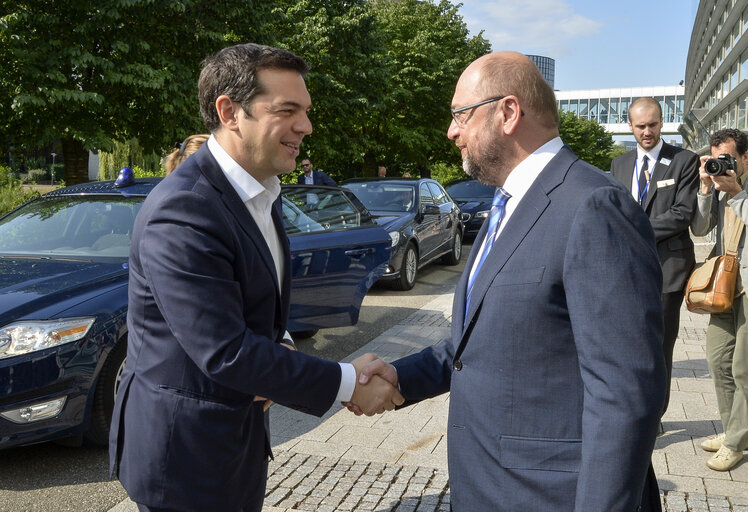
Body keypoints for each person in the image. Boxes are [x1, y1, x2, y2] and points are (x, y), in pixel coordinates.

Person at [351, 52, 666, 511]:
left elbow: (625, 394)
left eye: (460, 115)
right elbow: (480, 342)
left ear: (508, 112)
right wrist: (401, 375)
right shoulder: (507, 204)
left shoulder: (594, 207)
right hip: (488, 487)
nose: (451, 131)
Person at [109, 43, 403, 512]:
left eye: (305, 111)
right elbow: (224, 351)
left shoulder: (262, 192)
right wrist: (348, 382)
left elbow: (254, 306)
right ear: (229, 111)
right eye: (287, 110)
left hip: (234, 440)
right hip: (184, 457)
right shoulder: (185, 208)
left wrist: (281, 343)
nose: (306, 126)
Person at [611, 97, 699, 414]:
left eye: (652, 125)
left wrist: (634, 227)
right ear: (630, 126)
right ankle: (631, 407)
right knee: (628, 344)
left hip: (667, 270)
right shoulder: (619, 165)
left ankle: (654, 416)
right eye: (640, 126)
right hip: (626, 272)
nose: (647, 132)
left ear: (662, 122)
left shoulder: (683, 160)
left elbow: (682, 214)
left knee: (660, 348)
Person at [690, 128, 748, 472]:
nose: (721, 164)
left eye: (727, 158)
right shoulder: (720, 187)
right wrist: (705, 187)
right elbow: (699, 228)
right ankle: (735, 430)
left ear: (744, 157)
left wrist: (738, 193)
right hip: (726, 287)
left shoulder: (737, 190)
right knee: (718, 359)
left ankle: (735, 441)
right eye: (716, 159)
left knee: (743, 369)